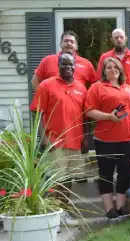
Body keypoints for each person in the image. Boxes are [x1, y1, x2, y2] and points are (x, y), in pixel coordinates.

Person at [30, 53, 88, 227]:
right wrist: (44, 136)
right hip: (55, 141)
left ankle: (62, 211)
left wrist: (85, 138)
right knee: (56, 179)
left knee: (69, 178)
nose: (68, 67)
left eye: (71, 65)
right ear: (58, 66)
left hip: (75, 141)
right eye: (64, 64)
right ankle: (53, 213)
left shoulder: (81, 88)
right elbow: (38, 112)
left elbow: (85, 116)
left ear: (75, 67)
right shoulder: (47, 85)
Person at [85, 57, 130, 220]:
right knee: (106, 174)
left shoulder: (128, 88)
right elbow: (89, 111)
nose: (113, 70)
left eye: (115, 67)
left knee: (125, 174)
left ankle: (121, 208)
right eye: (109, 67)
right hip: (105, 140)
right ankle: (110, 210)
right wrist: (109, 117)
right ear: (104, 71)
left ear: (120, 70)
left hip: (128, 139)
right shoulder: (97, 87)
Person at [96, 28, 130, 103]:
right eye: (116, 37)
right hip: (111, 100)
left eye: (121, 37)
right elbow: (100, 80)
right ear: (112, 40)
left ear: (126, 38)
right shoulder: (105, 57)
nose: (119, 40)